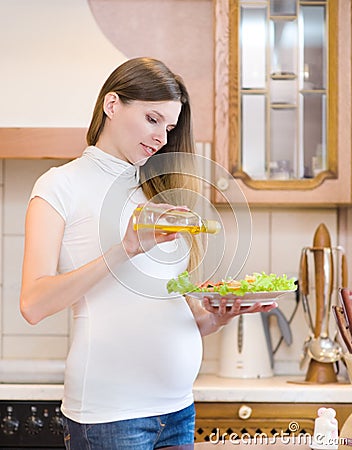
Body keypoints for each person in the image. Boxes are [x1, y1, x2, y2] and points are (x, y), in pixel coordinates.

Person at [20, 57, 276, 450]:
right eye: (152, 119)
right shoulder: (59, 186)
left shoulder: (157, 190)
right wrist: (124, 249)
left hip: (178, 410)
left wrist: (214, 317)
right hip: (110, 416)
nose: (161, 137)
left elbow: (170, 311)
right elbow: (33, 304)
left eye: (170, 128)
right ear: (112, 105)